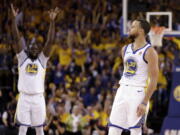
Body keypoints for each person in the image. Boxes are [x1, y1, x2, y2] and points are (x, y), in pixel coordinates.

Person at [11, 4, 60, 135]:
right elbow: (16, 38)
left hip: (38, 97)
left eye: (36, 47)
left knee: (39, 129)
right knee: (22, 129)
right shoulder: (22, 58)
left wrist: (52, 21)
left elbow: (50, 41)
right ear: (28, 48)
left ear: (39, 50)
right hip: (24, 97)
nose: (34, 48)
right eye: (31, 46)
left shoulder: (42, 60)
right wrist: (13, 20)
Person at [108, 19, 159, 135]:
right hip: (122, 90)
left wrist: (145, 102)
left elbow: (154, 80)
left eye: (133, 26)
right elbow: (127, 72)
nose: (130, 29)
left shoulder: (150, 52)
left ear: (141, 31)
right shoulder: (125, 49)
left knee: (135, 130)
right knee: (113, 127)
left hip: (137, 92)